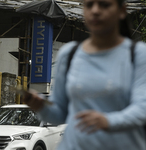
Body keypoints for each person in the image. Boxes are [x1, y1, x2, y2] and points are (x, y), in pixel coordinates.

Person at [22, 0, 146, 150]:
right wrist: (40, 106)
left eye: (104, 5)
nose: (95, 10)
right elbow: (60, 114)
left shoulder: (138, 54)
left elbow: (142, 107)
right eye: (89, 5)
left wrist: (108, 121)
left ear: (122, 11)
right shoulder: (69, 55)